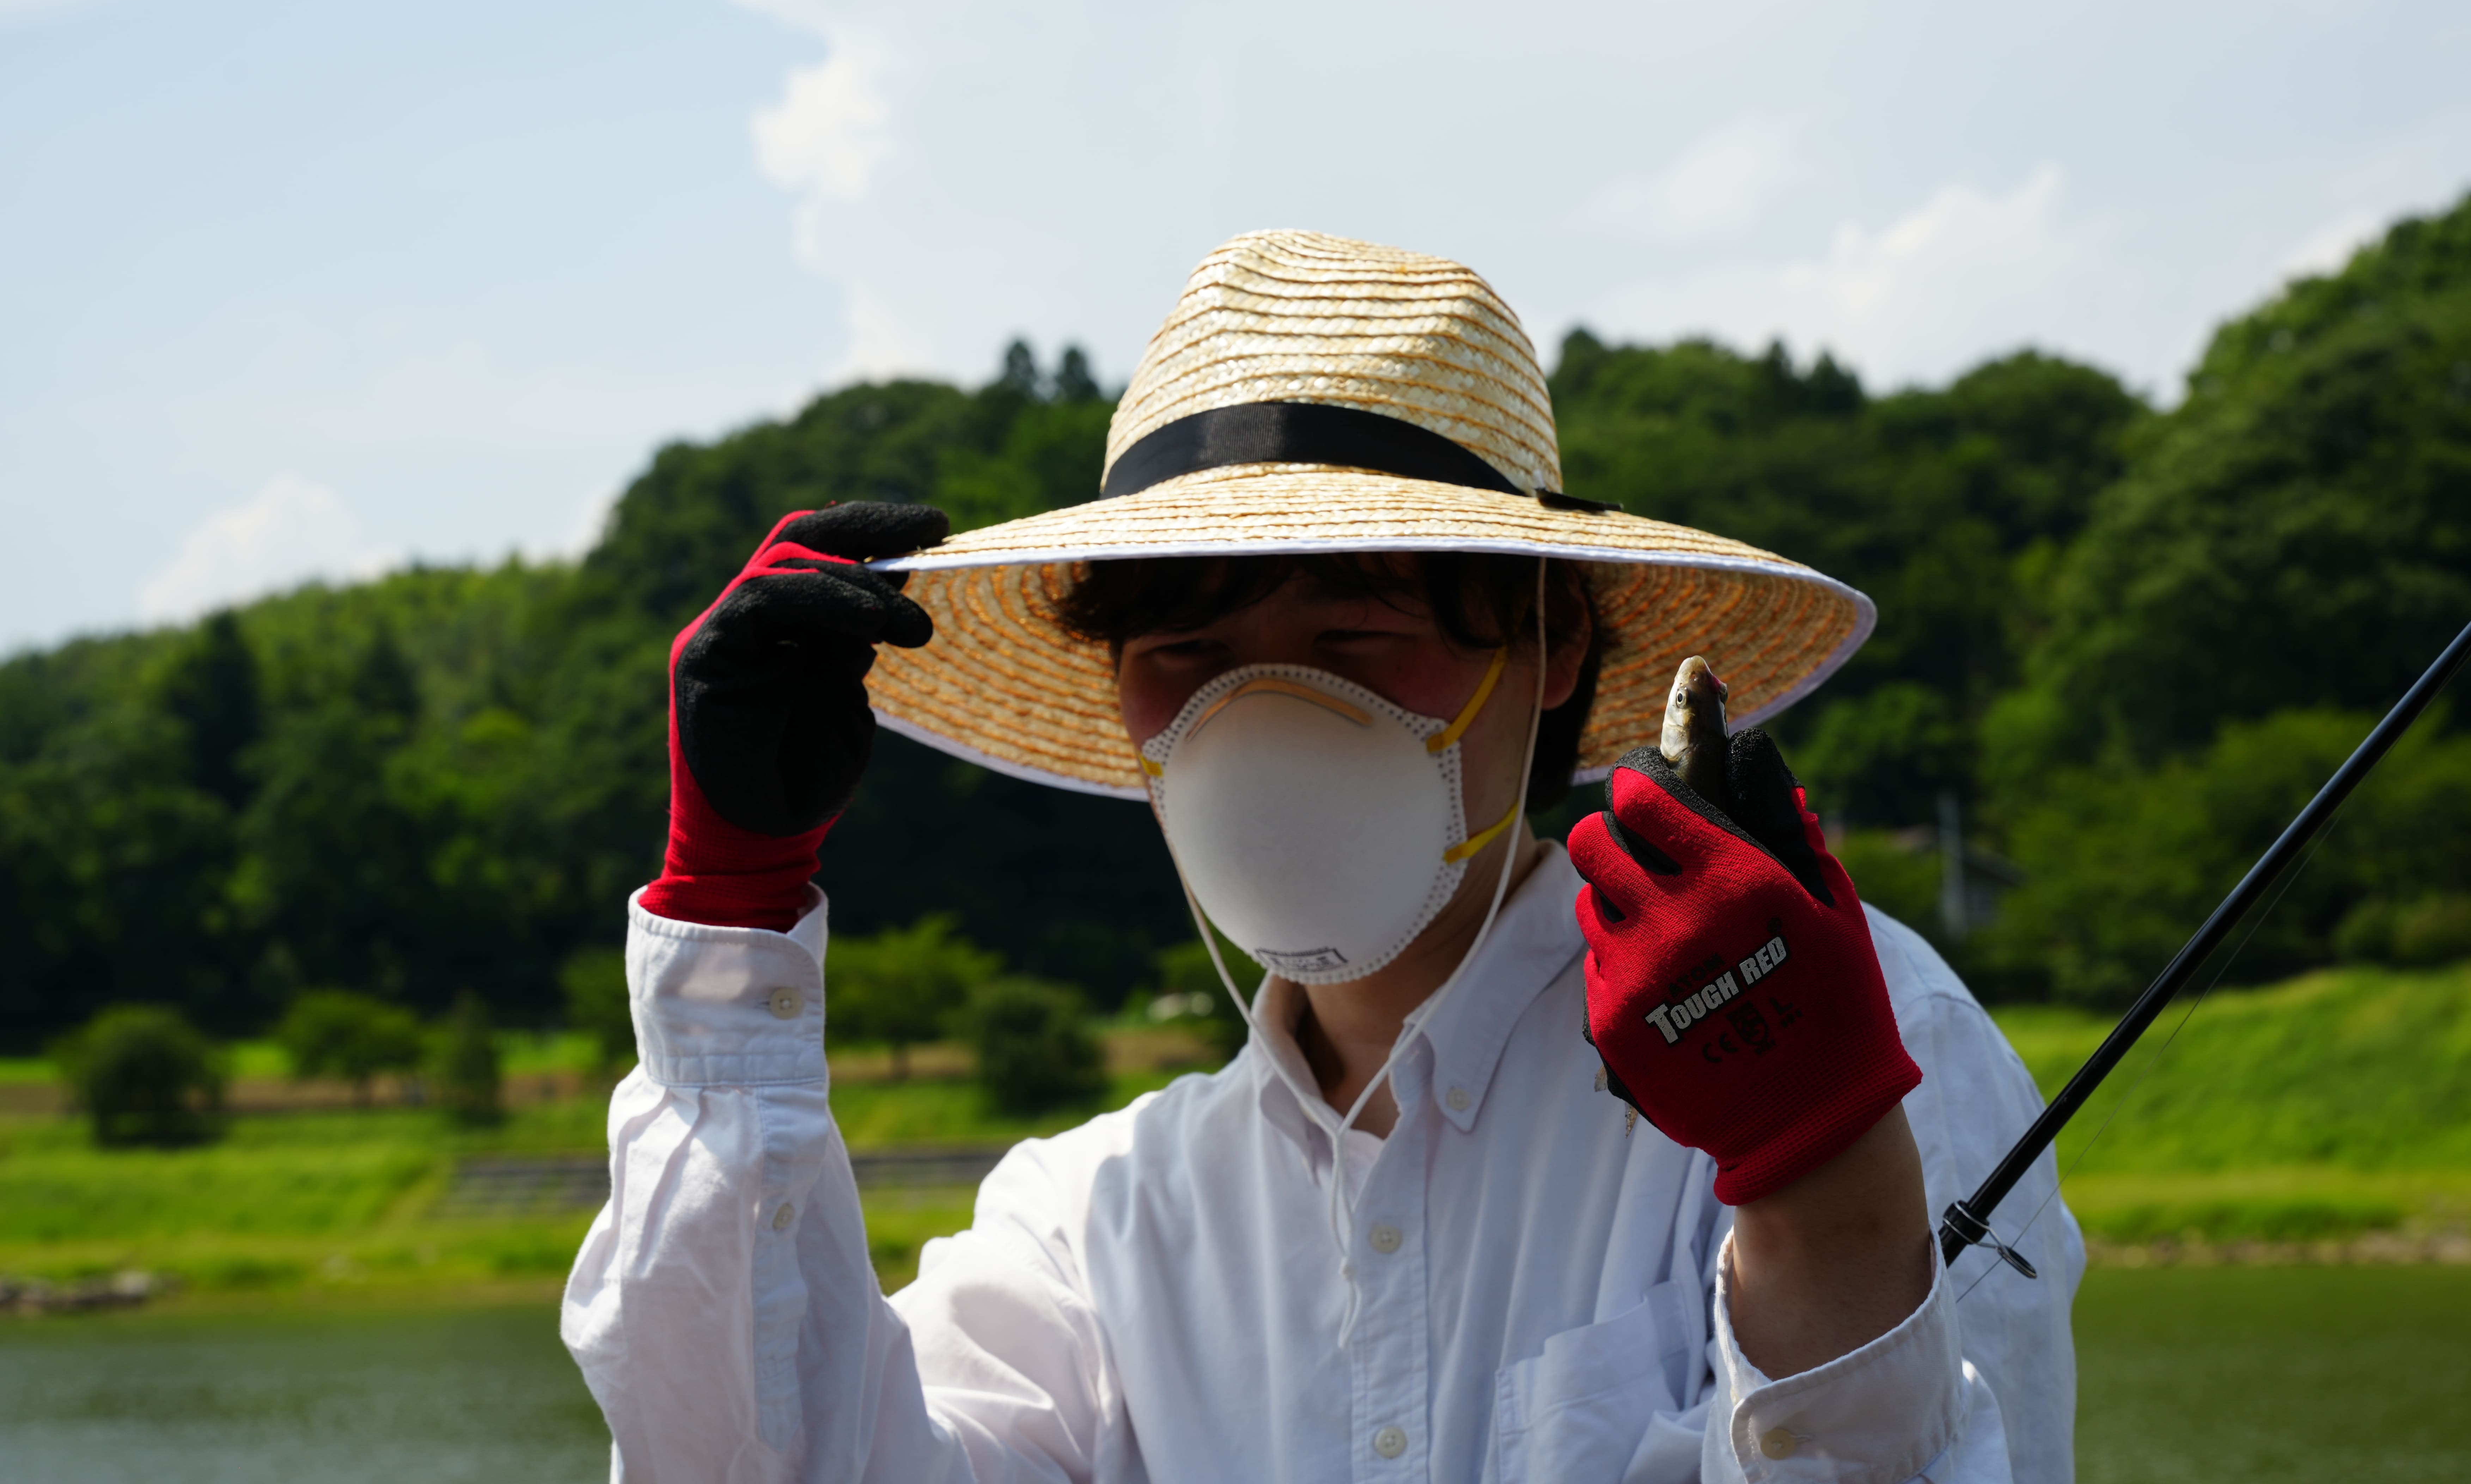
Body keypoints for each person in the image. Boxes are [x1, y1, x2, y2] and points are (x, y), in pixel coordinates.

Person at [562, 231, 2082, 1482]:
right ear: (1121, 699)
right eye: (1191, 653)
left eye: (1356, 637)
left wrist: (1818, 1182)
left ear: (1551, 646)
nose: (1263, 718)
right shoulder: (1102, 1225)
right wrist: (730, 914)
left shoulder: (1832, 1037)